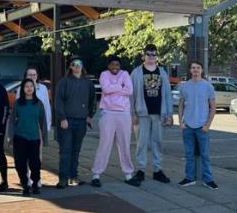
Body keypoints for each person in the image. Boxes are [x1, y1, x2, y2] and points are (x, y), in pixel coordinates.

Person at [91, 56, 141, 187]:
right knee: (104, 144)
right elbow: (105, 89)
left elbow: (129, 90)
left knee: (124, 144)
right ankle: (96, 174)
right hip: (107, 112)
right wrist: (120, 86)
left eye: (117, 65)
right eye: (112, 64)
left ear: (120, 66)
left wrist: (114, 87)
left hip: (124, 113)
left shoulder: (125, 74)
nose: (115, 67)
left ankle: (128, 174)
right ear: (108, 66)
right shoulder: (104, 74)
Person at [130, 44, 173, 184]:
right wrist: (132, 113)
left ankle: (157, 170)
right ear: (144, 56)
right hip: (141, 113)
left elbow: (167, 94)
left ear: (157, 56)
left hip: (159, 113)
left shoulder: (162, 72)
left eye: (154, 54)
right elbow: (131, 95)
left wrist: (169, 113)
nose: (151, 57)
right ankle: (141, 170)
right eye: (148, 54)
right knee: (141, 143)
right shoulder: (136, 72)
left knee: (157, 142)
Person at [54, 57, 96, 189]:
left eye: (79, 64)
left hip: (81, 121)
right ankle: (63, 178)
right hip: (67, 121)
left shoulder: (88, 83)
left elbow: (92, 100)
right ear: (70, 67)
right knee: (65, 150)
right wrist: (62, 118)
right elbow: (58, 101)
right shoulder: (64, 82)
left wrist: (90, 115)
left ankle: (73, 176)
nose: (77, 66)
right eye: (74, 64)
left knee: (76, 150)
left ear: (82, 66)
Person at [178, 61, 218, 190]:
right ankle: (189, 178)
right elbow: (180, 105)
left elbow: (213, 107)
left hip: (202, 126)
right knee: (189, 154)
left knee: (205, 155)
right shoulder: (184, 86)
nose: (195, 70)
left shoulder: (208, 86)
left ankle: (208, 179)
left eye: (198, 68)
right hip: (188, 126)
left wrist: (207, 125)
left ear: (201, 70)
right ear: (190, 70)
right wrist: (181, 122)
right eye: (193, 68)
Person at [7, 78, 48, 196]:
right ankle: (25, 184)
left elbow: (43, 122)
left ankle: (35, 183)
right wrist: (10, 136)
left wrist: (44, 139)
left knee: (35, 164)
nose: (29, 88)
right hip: (20, 137)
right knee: (20, 163)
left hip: (34, 138)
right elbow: (11, 121)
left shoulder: (38, 103)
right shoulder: (18, 103)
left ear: (34, 88)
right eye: (26, 86)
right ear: (23, 89)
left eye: (31, 86)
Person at [15, 66, 51, 187]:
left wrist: (47, 126)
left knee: (36, 156)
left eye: (34, 75)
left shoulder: (43, 89)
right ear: (26, 76)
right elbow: (16, 111)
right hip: (23, 129)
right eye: (30, 75)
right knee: (23, 157)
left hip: (37, 128)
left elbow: (46, 108)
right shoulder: (21, 89)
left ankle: (36, 178)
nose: (32, 77)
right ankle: (25, 179)